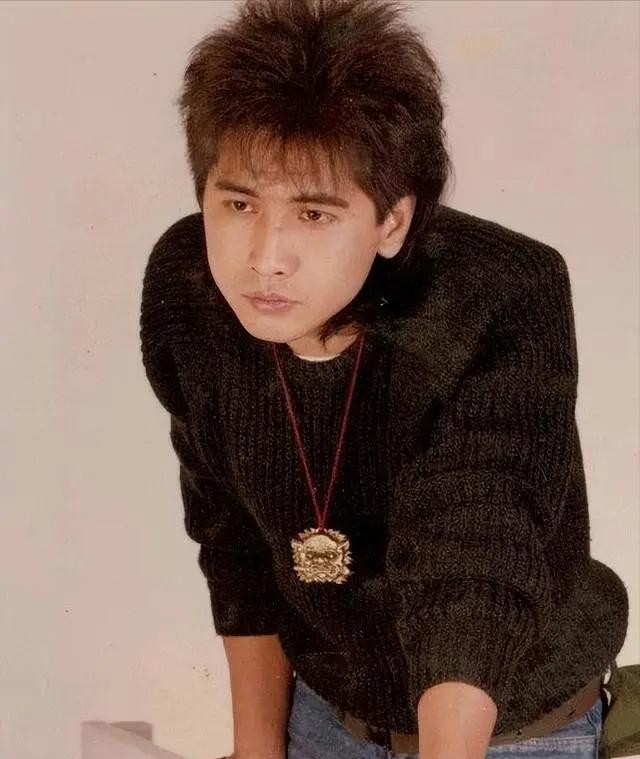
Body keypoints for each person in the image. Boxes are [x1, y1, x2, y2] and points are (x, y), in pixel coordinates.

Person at [138, 1, 629, 757]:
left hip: (511, 732)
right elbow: (230, 536)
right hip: (326, 714)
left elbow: (474, 555)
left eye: (314, 214)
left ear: (392, 222)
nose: (265, 257)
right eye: (239, 203)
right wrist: (257, 747)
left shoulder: (499, 292)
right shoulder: (191, 288)